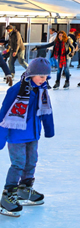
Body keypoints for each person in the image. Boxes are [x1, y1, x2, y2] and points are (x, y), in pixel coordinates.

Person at [0, 58, 54, 217]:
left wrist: (49, 129)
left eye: (46, 77)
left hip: (33, 133)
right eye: (40, 76)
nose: (44, 80)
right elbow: (3, 115)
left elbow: (47, 111)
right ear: (31, 74)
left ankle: (24, 189)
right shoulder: (17, 90)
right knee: (18, 164)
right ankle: (7, 196)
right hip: (17, 135)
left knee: (31, 161)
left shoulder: (42, 90)